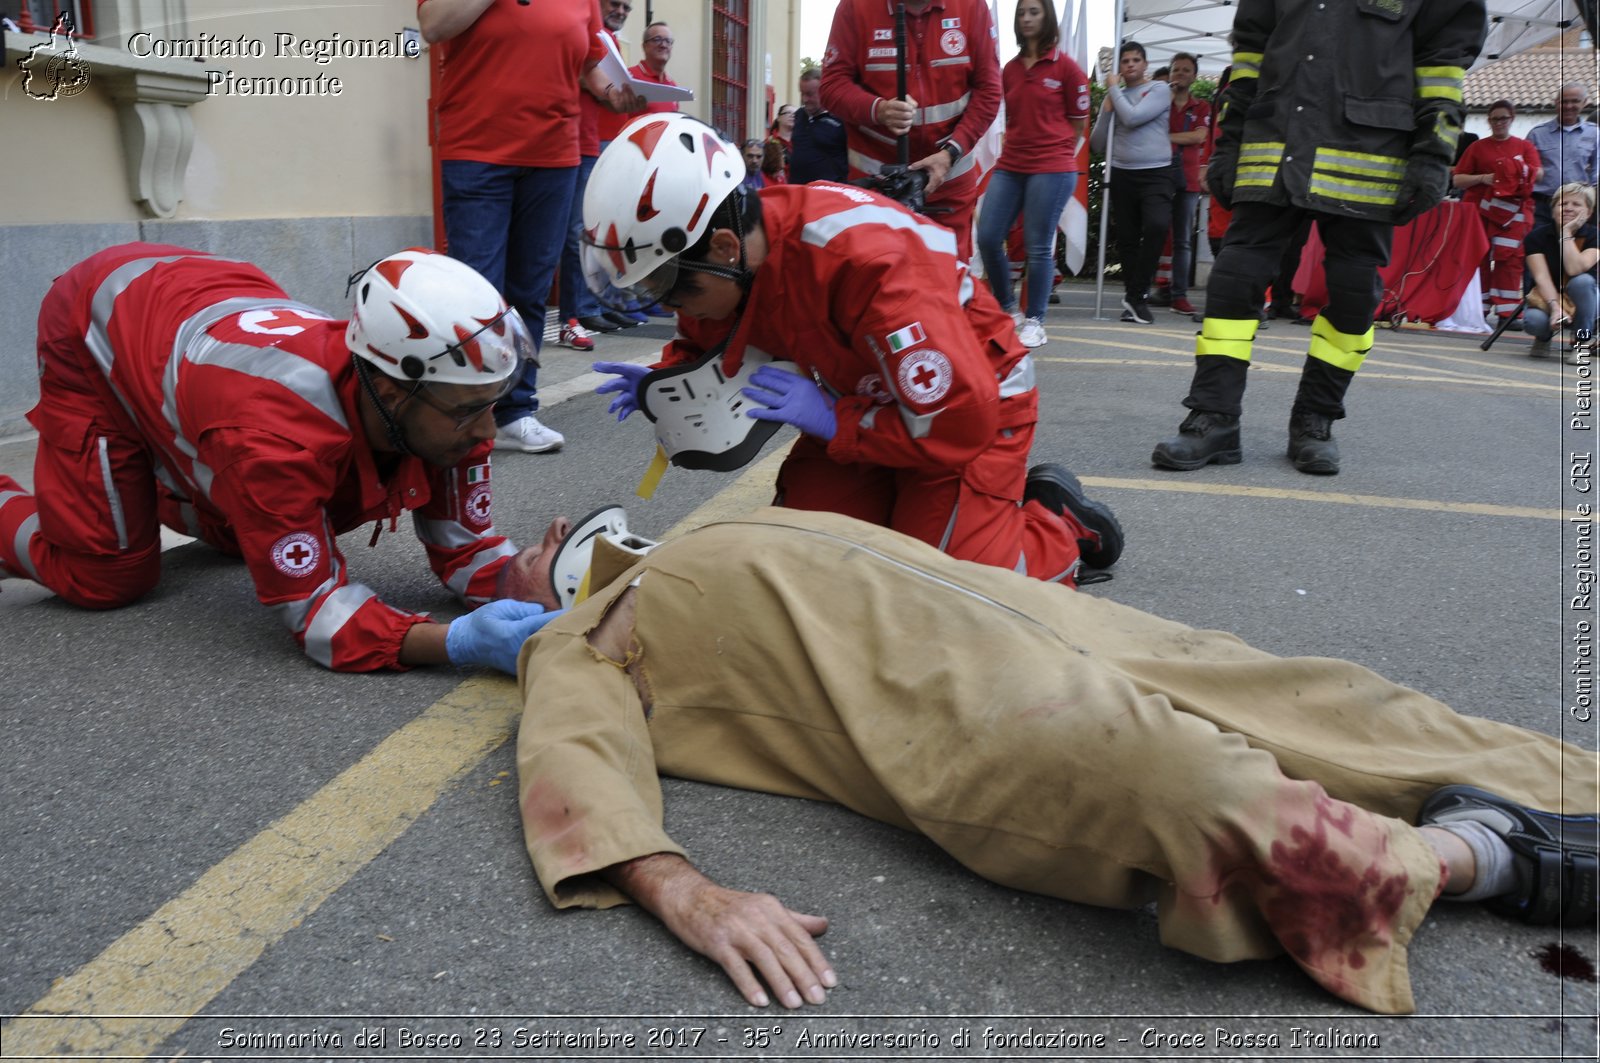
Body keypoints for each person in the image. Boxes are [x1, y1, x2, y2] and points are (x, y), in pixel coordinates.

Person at [511, 505, 1599, 1014]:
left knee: (1342, 705)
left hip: (1028, 614)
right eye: (538, 546)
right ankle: (1480, 856)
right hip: (940, 703)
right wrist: (686, 893)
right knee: (1196, 791)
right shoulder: (587, 625)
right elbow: (574, 749)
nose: (545, 531)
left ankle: (1569, 784)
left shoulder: (716, 527)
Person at [583, 114, 1122, 585]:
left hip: (969, 406)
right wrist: (666, 382)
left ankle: (1060, 529)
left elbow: (960, 419)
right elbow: (707, 337)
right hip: (861, 406)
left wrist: (837, 421)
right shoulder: (736, 252)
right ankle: (920, 513)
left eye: (672, 291)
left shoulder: (869, 267)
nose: (672, 307)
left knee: (946, 595)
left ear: (725, 248)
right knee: (800, 570)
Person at [0, 244, 566, 675]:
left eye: (493, 403)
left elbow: (466, 546)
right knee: (109, 575)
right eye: (470, 411)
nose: (488, 430)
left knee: (253, 527)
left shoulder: (443, 393)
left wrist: (549, 585)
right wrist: (456, 643)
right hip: (101, 310)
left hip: (203, 298)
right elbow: (322, 617)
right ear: (393, 391)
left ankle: (146, 485)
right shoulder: (275, 441)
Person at [1150, 0, 1485, 476]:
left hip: (1369, 155)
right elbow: (1249, 56)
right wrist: (1228, 142)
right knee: (1232, 282)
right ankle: (1214, 417)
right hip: (1275, 144)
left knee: (1352, 296)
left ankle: (1315, 421)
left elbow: (1442, 65)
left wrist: (1433, 153)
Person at [419, 0, 640, 455]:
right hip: (478, 148)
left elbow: (588, 65)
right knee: (475, 292)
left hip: (553, 156)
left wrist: (614, 91)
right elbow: (433, 25)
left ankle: (517, 412)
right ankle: (464, 412)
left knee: (530, 291)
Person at [820, 0, 1002, 260]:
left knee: (949, 283)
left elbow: (990, 90)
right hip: (878, 183)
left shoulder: (971, 6)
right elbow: (832, 85)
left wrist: (951, 152)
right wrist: (878, 110)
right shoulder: (855, 7)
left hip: (949, 181)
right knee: (879, 283)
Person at [973, 0, 1090, 350]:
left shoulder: (1067, 68)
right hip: (1011, 164)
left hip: (1052, 166)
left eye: (1034, 11)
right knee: (989, 236)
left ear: (1047, 17)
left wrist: (1052, 151)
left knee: (1038, 248)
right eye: (1022, 12)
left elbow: (1078, 123)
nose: (1026, 18)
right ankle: (1010, 312)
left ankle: (1036, 320)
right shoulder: (1008, 69)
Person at [1089, 41, 1174, 325]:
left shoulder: (1160, 89)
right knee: (1127, 238)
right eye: (1125, 61)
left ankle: (1138, 294)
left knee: (1157, 225)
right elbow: (1097, 143)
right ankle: (1134, 298)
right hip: (1123, 173)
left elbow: (1135, 118)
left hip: (1156, 172)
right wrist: (1106, 109)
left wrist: (1113, 90)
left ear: (1145, 64)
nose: (1130, 65)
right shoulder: (1117, 96)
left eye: (1136, 60)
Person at [1452, 99, 1540, 324]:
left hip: (1514, 213)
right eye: (1494, 119)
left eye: (1504, 118)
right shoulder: (1477, 147)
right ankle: (1477, 308)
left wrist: (1514, 171)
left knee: (1510, 261)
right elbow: (1458, 179)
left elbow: (1538, 174)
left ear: (1512, 119)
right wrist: (1485, 178)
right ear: (1488, 121)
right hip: (1481, 211)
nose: (1499, 123)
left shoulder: (1524, 146)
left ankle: (1507, 312)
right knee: (1478, 257)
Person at [1523, 182, 1599, 364]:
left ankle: (1582, 343)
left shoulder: (1594, 236)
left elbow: (1575, 268)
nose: (1568, 208)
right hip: (1549, 296)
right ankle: (1543, 338)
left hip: (1586, 299)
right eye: (1562, 204)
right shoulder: (1536, 237)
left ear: (1588, 213)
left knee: (1582, 281)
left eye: (1576, 204)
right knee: (1533, 321)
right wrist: (1555, 308)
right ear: (1553, 209)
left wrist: (1566, 232)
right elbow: (1541, 277)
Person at [1160, 52, 1211, 317]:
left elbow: (1200, 136)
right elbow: (1151, 128)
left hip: (1188, 179)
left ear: (1194, 76)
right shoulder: (1159, 101)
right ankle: (1147, 290)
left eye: (1186, 70)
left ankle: (1178, 294)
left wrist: (1168, 136)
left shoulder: (1201, 106)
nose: (1180, 74)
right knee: (1154, 231)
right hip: (1158, 175)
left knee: (1182, 240)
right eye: (1176, 69)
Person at [1525, 82, 1600, 230]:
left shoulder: (1594, 133)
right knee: (1540, 248)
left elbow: (1596, 174)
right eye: (1564, 101)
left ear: (1584, 103)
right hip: (1542, 207)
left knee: (1574, 250)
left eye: (1575, 101)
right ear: (1556, 103)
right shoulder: (1537, 134)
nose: (1568, 106)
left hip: (1577, 208)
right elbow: (1527, 173)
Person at [789, 67, 848, 185]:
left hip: (828, 192)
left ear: (824, 92)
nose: (805, 99)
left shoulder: (841, 118)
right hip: (798, 189)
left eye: (810, 94)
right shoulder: (799, 116)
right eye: (802, 93)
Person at [765, 104, 796, 183]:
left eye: (795, 114)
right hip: (778, 186)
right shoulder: (769, 142)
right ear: (778, 118)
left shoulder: (803, 141)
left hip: (800, 185)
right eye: (788, 113)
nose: (792, 116)